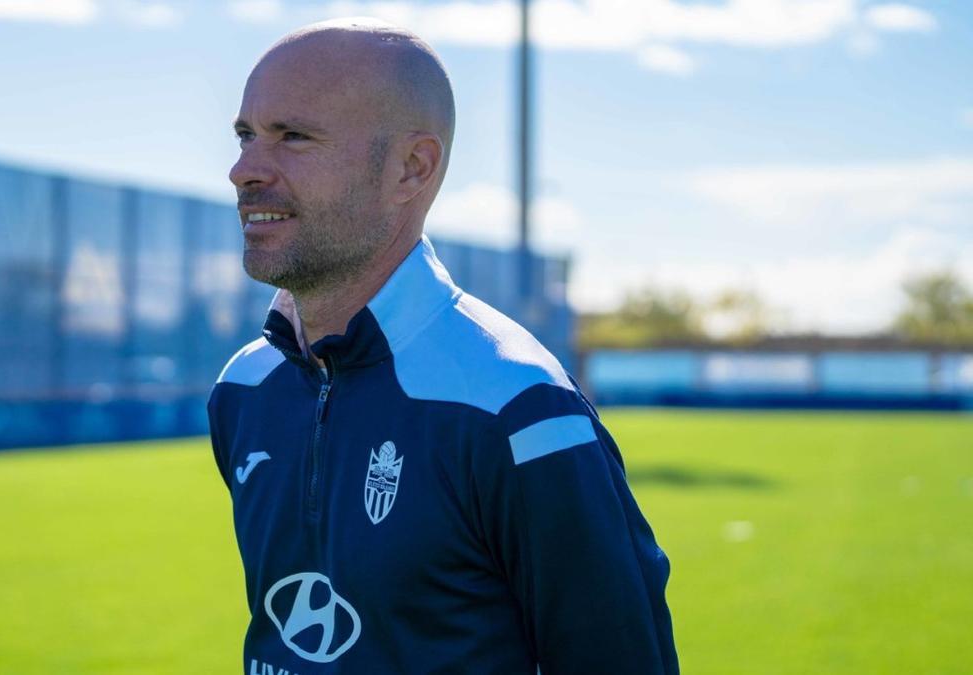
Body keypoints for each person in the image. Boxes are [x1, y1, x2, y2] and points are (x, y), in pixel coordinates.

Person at [209, 19, 678, 674]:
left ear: (411, 168)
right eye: (245, 135)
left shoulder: (517, 409)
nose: (244, 169)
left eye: (293, 136)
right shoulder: (242, 390)